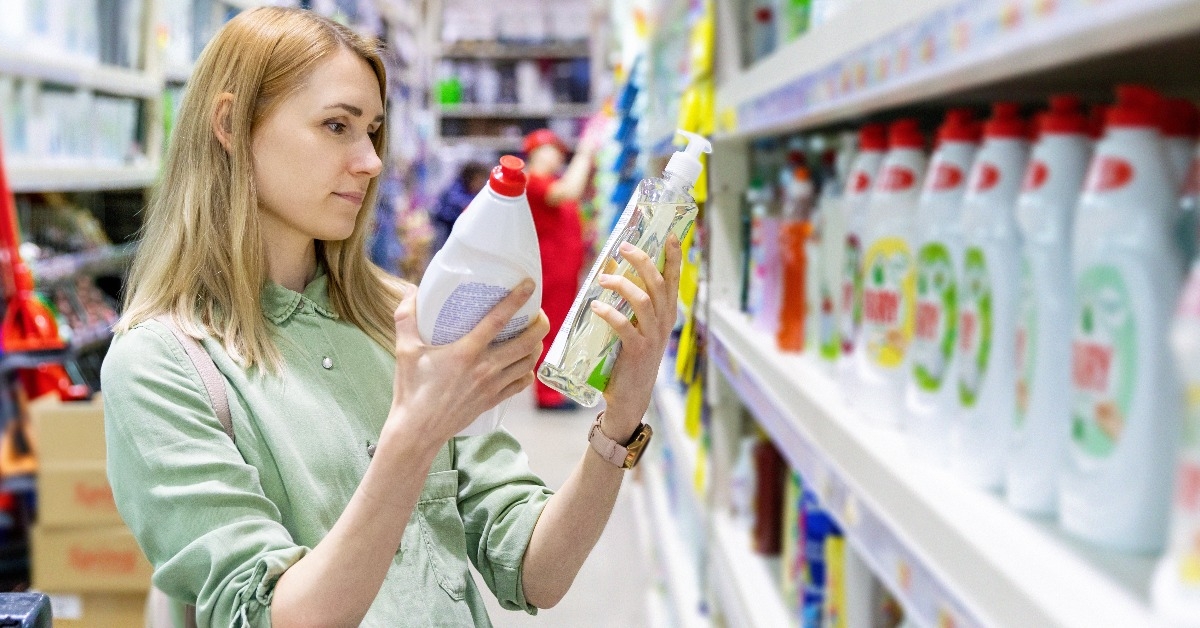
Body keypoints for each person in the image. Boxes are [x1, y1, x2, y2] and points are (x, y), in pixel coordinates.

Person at [100, 8, 681, 627]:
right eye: (336, 126)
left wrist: (619, 419)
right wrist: (414, 436)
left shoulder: (404, 317)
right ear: (230, 124)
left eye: (372, 131)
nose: (371, 161)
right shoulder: (162, 366)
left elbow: (537, 571)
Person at [523, 128, 598, 410]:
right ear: (537, 152)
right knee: (550, 328)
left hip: (563, 269)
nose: (558, 157)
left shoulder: (549, 180)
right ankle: (547, 394)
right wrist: (585, 153)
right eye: (553, 150)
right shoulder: (533, 181)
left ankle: (555, 388)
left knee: (561, 328)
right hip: (550, 269)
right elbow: (568, 192)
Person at [430, 161, 490, 254]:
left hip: (458, 231)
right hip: (445, 226)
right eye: (478, 180)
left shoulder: (474, 192)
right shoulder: (456, 187)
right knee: (442, 252)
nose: (480, 184)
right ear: (470, 178)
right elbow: (456, 201)